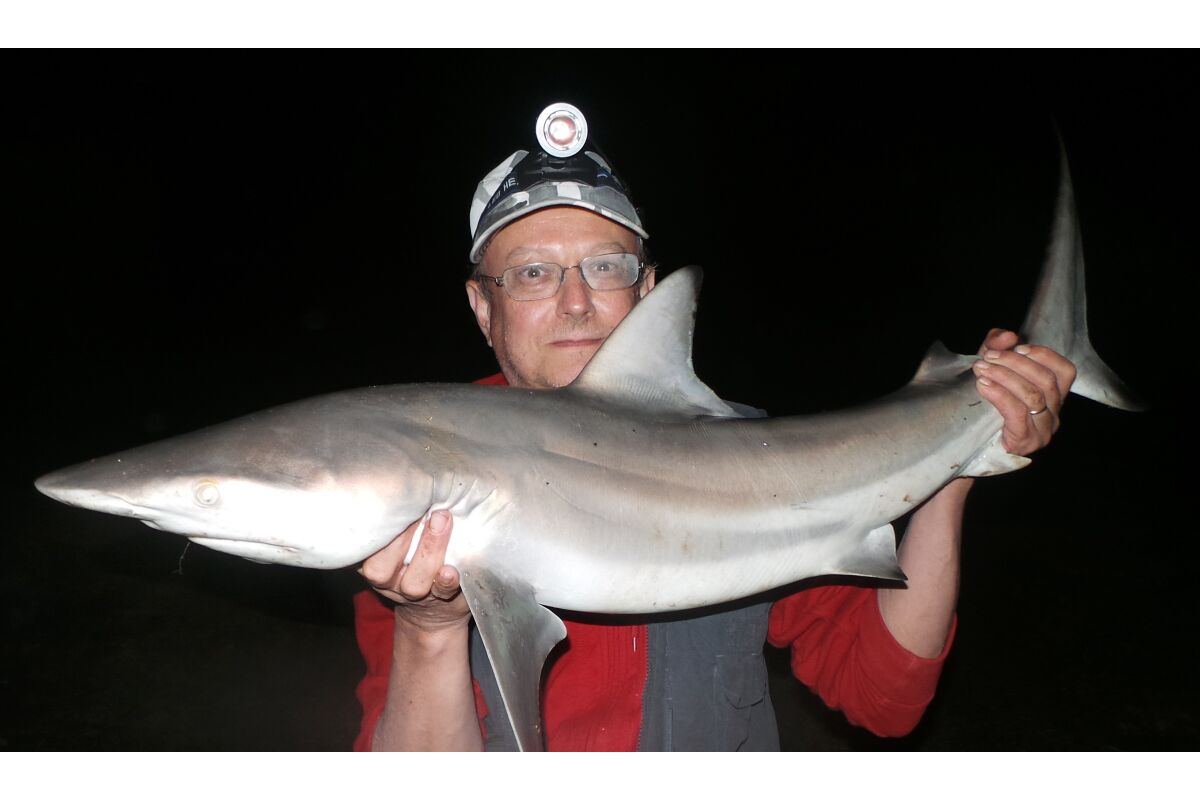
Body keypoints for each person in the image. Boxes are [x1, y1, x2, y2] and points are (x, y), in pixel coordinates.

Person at [351, 104, 1077, 751]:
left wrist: (958, 462)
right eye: (533, 273)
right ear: (483, 307)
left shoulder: (750, 461)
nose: (575, 302)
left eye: (606, 267)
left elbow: (882, 696)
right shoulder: (420, 499)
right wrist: (429, 628)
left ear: (647, 291)